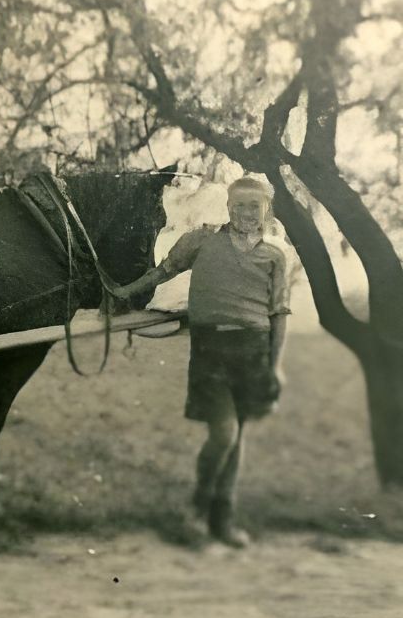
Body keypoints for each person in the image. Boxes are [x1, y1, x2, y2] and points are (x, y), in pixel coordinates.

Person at [114, 174, 293, 548]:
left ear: (266, 210)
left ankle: (222, 519)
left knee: (237, 435)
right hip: (212, 351)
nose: (246, 212)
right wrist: (121, 293)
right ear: (228, 207)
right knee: (224, 434)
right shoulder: (201, 240)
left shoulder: (276, 255)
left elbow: (279, 315)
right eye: (239, 204)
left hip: (254, 351)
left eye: (253, 206)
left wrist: (274, 367)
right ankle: (197, 511)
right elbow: (162, 273)